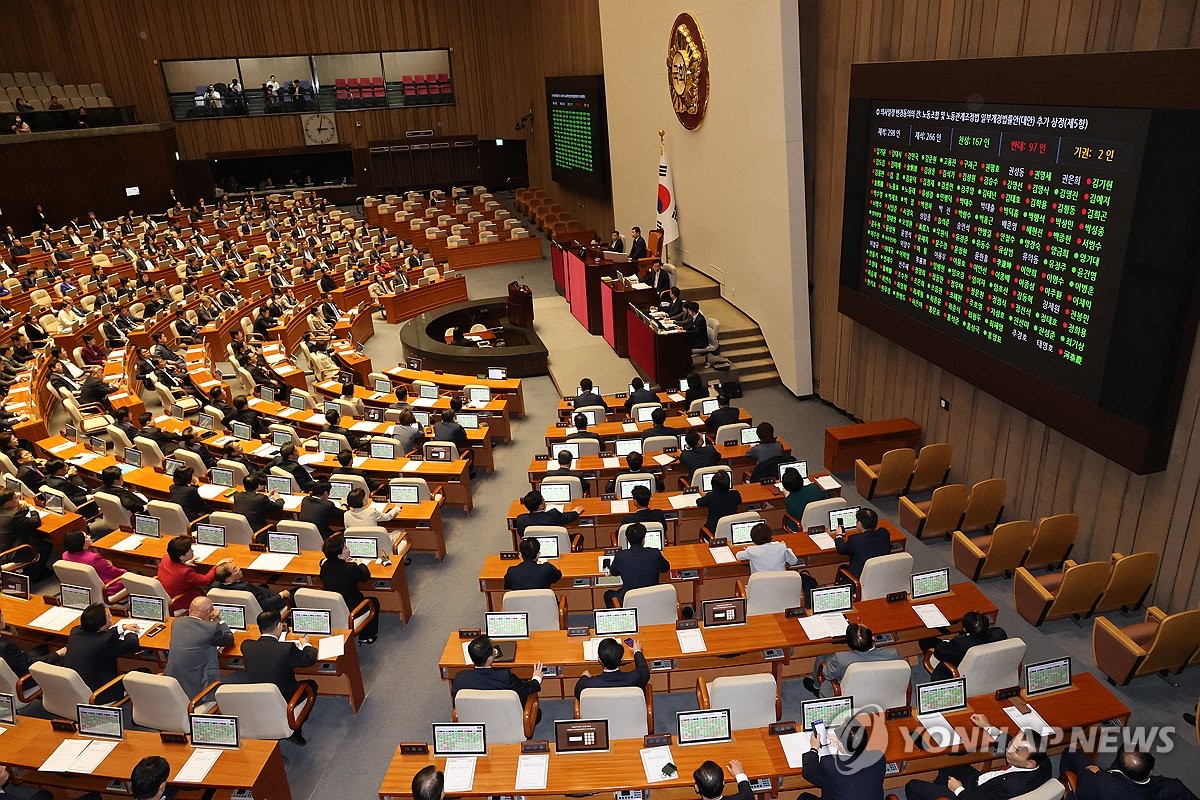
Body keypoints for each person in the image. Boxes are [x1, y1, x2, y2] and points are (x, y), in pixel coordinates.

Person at [905, 722, 1049, 800]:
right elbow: (1014, 744)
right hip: (980, 781)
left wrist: (958, 789)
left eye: (1016, 751)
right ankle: (939, 789)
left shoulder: (1010, 788)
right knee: (950, 762)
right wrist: (987, 726)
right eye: (1011, 742)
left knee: (912, 786)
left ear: (1030, 763)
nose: (1009, 750)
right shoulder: (1042, 760)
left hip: (971, 794)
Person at [242, 609, 317, 745]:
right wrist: (307, 644)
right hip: (284, 698)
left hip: (256, 697)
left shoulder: (246, 646)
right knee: (311, 685)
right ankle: (295, 729)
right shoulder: (286, 649)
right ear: (278, 626)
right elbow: (309, 660)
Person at [64, 604, 141, 702]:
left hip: (74, 690)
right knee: (144, 673)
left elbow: (101, 635)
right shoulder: (105, 642)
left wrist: (122, 627)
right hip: (98, 693)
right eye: (109, 616)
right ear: (103, 626)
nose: (112, 616)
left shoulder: (75, 632)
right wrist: (129, 632)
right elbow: (132, 644)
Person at [1060, 745, 1197, 800]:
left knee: (1070, 752)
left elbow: (1082, 789)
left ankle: (1061, 786)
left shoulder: (1101, 782)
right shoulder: (1173, 788)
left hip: (1099, 785)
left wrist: (1091, 772)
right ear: (1150, 771)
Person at [164, 597, 234, 698]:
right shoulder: (211, 627)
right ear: (208, 612)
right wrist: (218, 620)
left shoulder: (176, 622)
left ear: (190, 609)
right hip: (199, 689)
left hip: (173, 683)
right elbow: (229, 639)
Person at [806, 623, 901, 697]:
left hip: (849, 694)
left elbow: (827, 674)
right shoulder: (892, 654)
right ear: (872, 638)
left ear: (850, 644)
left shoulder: (841, 658)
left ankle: (816, 687)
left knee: (823, 658)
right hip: (881, 690)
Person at [797, 726, 887, 800]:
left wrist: (814, 748)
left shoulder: (830, 764)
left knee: (803, 797)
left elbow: (808, 773)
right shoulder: (879, 758)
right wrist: (845, 748)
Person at [320, 534, 380, 643]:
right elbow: (366, 576)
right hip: (351, 610)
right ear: (339, 555)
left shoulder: (324, 567)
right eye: (346, 548)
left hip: (333, 609)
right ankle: (366, 635)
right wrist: (359, 563)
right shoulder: (350, 568)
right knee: (373, 602)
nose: (348, 548)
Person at [452, 634, 543, 704]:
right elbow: (526, 689)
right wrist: (536, 678)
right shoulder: (505, 677)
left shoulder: (460, 679)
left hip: (477, 722)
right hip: (507, 719)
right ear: (489, 658)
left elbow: (457, 704)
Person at [920, 611, 1007, 681]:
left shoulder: (959, 644)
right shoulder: (999, 633)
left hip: (959, 667)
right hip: (988, 666)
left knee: (925, 641)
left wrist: (945, 642)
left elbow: (939, 653)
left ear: (964, 629)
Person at [158, 535, 231, 613]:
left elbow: (175, 569)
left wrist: (184, 564)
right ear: (181, 557)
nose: (192, 551)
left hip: (169, 593)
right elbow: (206, 580)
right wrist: (217, 565)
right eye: (189, 550)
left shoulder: (166, 558)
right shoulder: (185, 572)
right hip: (181, 601)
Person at [603, 522, 670, 607]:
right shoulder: (655, 553)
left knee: (608, 594)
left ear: (627, 539)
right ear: (643, 539)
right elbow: (666, 568)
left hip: (629, 599)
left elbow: (614, 572)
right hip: (653, 598)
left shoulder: (621, 556)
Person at [573, 636, 649, 697]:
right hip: (628, 714)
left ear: (599, 659)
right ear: (622, 658)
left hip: (600, 715)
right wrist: (637, 651)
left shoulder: (587, 684)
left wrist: (584, 676)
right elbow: (644, 670)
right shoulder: (635, 677)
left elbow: (577, 693)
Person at [0, 490, 51, 580]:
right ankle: (35, 575)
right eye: (15, 499)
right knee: (46, 545)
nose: (18, 500)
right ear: (8, 503)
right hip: (10, 553)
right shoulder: (14, 515)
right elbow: (36, 522)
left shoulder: (7, 512)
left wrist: (18, 510)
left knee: (35, 538)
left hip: (3, 546)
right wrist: (32, 508)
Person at [61, 530, 127, 597]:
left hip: (86, 587)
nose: (89, 536)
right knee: (132, 579)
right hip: (107, 587)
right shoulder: (93, 558)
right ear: (80, 543)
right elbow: (111, 571)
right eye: (86, 537)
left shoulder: (65, 555)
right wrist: (125, 572)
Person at [834, 508, 890, 579]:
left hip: (860, 578)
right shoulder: (884, 533)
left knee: (842, 567)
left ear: (859, 523)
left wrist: (839, 536)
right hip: (880, 574)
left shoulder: (855, 539)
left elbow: (841, 549)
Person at [213, 562, 289, 612]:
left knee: (264, 586)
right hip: (270, 605)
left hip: (251, 604)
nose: (239, 569)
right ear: (228, 579)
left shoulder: (214, 586)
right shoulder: (245, 587)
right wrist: (281, 595)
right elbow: (264, 605)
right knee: (293, 593)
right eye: (235, 570)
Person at [514, 490, 584, 537]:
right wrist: (575, 512)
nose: (544, 500)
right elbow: (567, 517)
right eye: (543, 499)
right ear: (540, 506)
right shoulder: (553, 515)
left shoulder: (521, 520)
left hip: (532, 551)